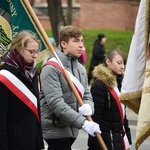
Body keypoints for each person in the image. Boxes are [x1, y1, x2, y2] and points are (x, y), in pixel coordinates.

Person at [39, 25, 101, 150]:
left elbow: (87, 95)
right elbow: (56, 103)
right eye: (76, 41)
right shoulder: (51, 68)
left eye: (81, 41)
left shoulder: (80, 68)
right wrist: (83, 122)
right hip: (55, 128)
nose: (81, 45)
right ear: (64, 44)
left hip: (71, 129)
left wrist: (89, 107)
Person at [0, 30, 44, 150]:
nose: (35, 56)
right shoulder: (4, 76)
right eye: (31, 51)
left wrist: (39, 142)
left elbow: (36, 110)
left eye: (37, 52)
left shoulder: (33, 72)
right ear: (18, 49)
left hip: (32, 139)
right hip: (14, 142)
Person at [87, 50, 132, 150]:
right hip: (106, 140)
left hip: (119, 139)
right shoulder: (99, 86)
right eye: (119, 63)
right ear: (108, 62)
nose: (122, 67)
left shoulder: (121, 84)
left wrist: (127, 136)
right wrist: (96, 141)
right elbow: (96, 118)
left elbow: (123, 115)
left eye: (124, 64)